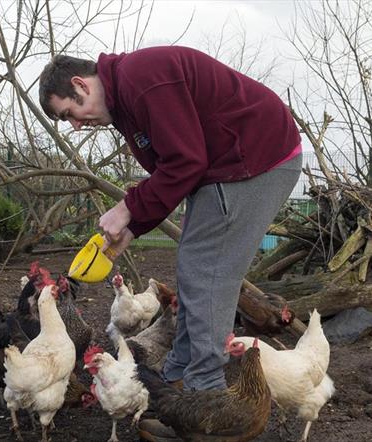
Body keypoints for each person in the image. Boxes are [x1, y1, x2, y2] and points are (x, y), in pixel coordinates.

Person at [39, 46, 301, 439]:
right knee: (193, 270)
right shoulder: (128, 104)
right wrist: (134, 225)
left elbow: (184, 161)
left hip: (256, 159)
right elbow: (173, 172)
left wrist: (128, 207)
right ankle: (178, 394)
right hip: (224, 169)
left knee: (208, 275)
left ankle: (207, 406)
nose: (75, 125)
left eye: (67, 114)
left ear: (79, 85)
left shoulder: (142, 79)